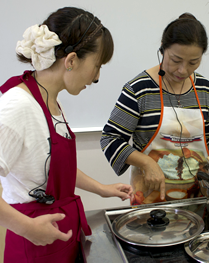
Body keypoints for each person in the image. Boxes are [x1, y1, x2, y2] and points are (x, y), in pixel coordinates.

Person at [0, 7, 133, 262]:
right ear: (71, 61)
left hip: (58, 237)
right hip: (34, 245)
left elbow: (55, 167)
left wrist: (101, 189)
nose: (96, 78)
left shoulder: (50, 102)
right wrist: (26, 228)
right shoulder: (18, 105)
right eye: (97, 66)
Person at [100, 13, 209, 205]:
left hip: (199, 195)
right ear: (162, 48)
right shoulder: (139, 89)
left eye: (193, 62)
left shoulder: (205, 89)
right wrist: (146, 162)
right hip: (151, 197)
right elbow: (110, 139)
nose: (183, 70)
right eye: (175, 60)